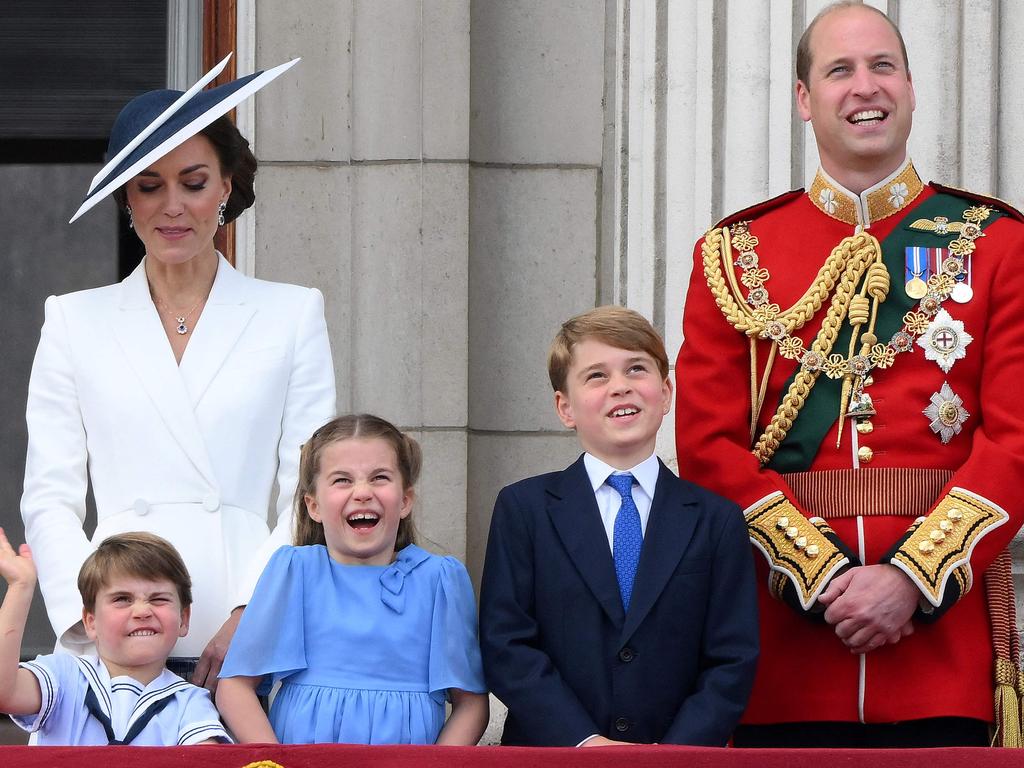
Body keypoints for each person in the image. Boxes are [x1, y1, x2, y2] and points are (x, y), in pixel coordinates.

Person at [675, 0, 1024, 748]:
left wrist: (909, 581)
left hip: (940, 653)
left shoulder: (996, 245)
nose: (865, 86)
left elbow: (1015, 444)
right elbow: (708, 449)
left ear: (910, 86)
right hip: (783, 657)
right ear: (805, 99)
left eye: (882, 66)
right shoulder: (736, 255)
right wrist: (823, 579)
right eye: (839, 70)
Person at [20, 54, 337, 691]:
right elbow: (49, 498)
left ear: (225, 186)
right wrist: (92, 621)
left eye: (193, 183)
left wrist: (254, 611)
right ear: (123, 197)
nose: (172, 207)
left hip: (242, 634)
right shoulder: (73, 321)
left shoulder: (291, 312)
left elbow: (312, 490)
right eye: (149, 184)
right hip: (111, 635)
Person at [479, 306, 758, 747]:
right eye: (596, 376)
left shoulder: (715, 519)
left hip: (674, 759)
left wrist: (671, 755)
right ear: (565, 407)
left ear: (665, 393)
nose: (620, 386)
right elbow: (507, 644)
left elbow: (732, 658)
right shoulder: (525, 509)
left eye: (636, 369)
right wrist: (585, 743)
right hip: (555, 755)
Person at [217, 414, 489, 745]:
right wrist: (275, 762)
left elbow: (471, 704)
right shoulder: (294, 572)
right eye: (342, 480)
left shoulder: (440, 580)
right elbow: (235, 686)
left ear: (405, 501)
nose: (362, 492)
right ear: (313, 505)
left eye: (379, 477)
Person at [0, 529, 230, 745]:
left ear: (184, 618)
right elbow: (4, 692)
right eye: (122, 599)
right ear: (91, 622)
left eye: (158, 598)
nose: (142, 611)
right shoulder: (64, 676)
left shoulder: (190, 702)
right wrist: (20, 587)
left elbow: (205, 760)